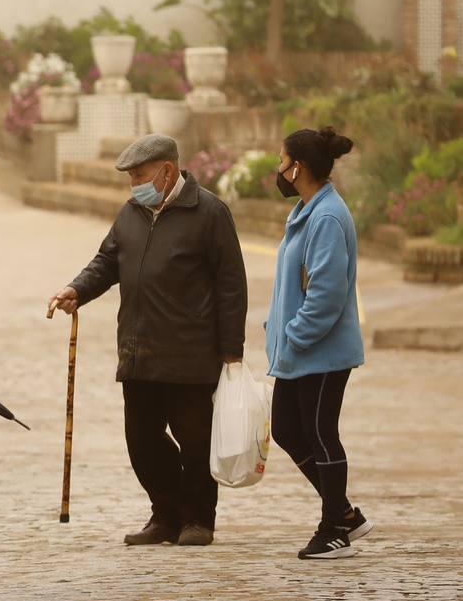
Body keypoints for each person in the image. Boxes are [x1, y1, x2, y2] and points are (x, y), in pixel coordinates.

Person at [49, 134, 247, 547]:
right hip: (139, 350)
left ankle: (197, 519)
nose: (132, 184)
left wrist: (231, 352)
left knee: (195, 442)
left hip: (190, 353)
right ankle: (165, 513)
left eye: (138, 175)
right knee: (141, 441)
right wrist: (77, 290)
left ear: (167, 171)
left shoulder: (209, 212)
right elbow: (107, 261)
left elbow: (232, 286)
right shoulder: (131, 212)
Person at [264, 127, 370, 560]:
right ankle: (343, 512)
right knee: (288, 429)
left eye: (281, 161)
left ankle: (334, 529)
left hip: (320, 352)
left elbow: (326, 295)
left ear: (298, 168)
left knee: (321, 433)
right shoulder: (310, 210)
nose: (278, 169)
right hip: (301, 352)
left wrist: (293, 335)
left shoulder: (326, 217)